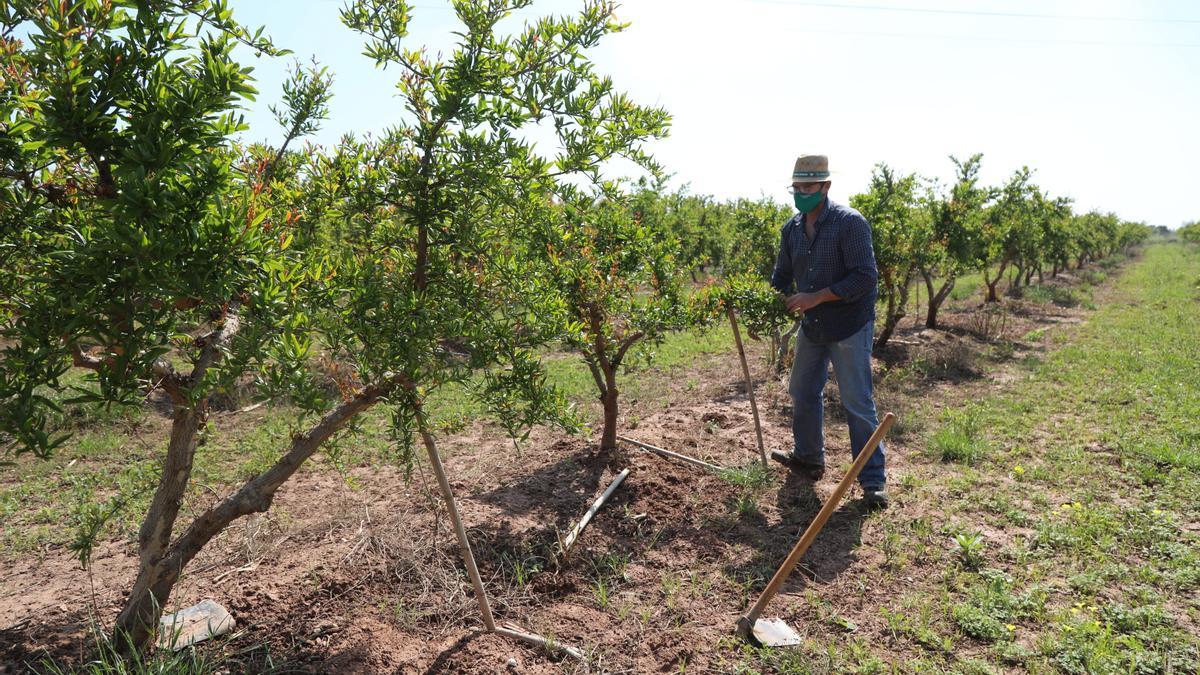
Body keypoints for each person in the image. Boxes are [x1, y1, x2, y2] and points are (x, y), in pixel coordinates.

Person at [770, 154, 888, 509]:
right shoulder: (791, 229)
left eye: (809, 187)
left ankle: (871, 481)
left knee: (856, 401)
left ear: (826, 187)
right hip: (814, 325)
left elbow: (865, 277)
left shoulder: (849, 224)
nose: (802, 193)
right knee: (802, 389)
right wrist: (766, 304)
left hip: (849, 324)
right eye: (797, 187)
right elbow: (781, 275)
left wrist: (816, 297)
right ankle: (808, 458)